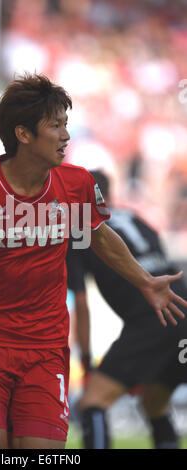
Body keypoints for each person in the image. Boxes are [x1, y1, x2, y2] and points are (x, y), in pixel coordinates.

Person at [0, 74, 186, 450]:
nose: (66, 135)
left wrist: (144, 280)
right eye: (55, 126)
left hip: (44, 347)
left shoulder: (76, 185)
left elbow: (101, 238)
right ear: (24, 134)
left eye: (66, 124)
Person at [66, 169, 187, 449]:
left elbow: (81, 305)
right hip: (182, 312)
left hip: (154, 320)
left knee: (92, 401)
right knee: (154, 401)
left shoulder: (82, 231)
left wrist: (86, 360)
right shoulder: (136, 219)